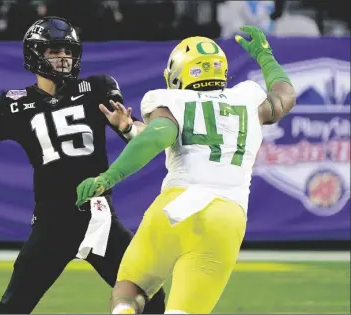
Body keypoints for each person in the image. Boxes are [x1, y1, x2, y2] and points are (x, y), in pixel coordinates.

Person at [0, 16, 166, 314]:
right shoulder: (15, 103)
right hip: (53, 222)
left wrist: (126, 128)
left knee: (152, 300)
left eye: (68, 51)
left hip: (98, 218)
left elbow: (141, 136)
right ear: (35, 53)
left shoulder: (97, 87)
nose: (63, 57)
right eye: (54, 50)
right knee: (13, 307)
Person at [76, 25, 296, 314]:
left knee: (131, 288)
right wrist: (265, 57)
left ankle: (124, 310)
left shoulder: (171, 101)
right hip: (226, 216)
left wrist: (108, 177)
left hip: (174, 208)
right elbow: (284, 96)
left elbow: (159, 136)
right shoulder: (248, 99)